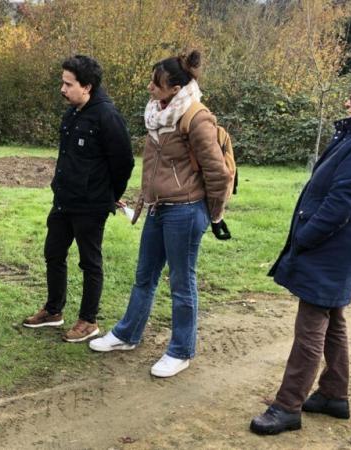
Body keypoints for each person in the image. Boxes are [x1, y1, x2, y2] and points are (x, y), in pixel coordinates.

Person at [88, 50, 232, 377]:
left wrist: (214, 215)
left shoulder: (196, 118)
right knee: (144, 276)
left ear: (177, 87)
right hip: (157, 208)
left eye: (157, 83)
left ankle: (181, 350)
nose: (151, 88)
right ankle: (127, 334)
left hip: (185, 210)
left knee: (181, 283)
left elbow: (218, 173)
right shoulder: (157, 113)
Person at [249, 78, 351, 435]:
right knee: (333, 315)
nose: (347, 105)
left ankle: (287, 406)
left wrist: (306, 236)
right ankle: (334, 393)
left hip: (333, 247)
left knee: (310, 326)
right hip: (339, 247)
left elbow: (343, 200)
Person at [22, 55, 134, 343]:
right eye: (63, 82)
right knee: (53, 253)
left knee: (90, 262)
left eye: (68, 84)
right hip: (64, 201)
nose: (62, 89)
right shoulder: (72, 113)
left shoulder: (107, 117)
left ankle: (88, 320)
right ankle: (53, 310)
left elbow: (124, 163)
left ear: (87, 86)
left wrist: (110, 196)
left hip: (91, 205)